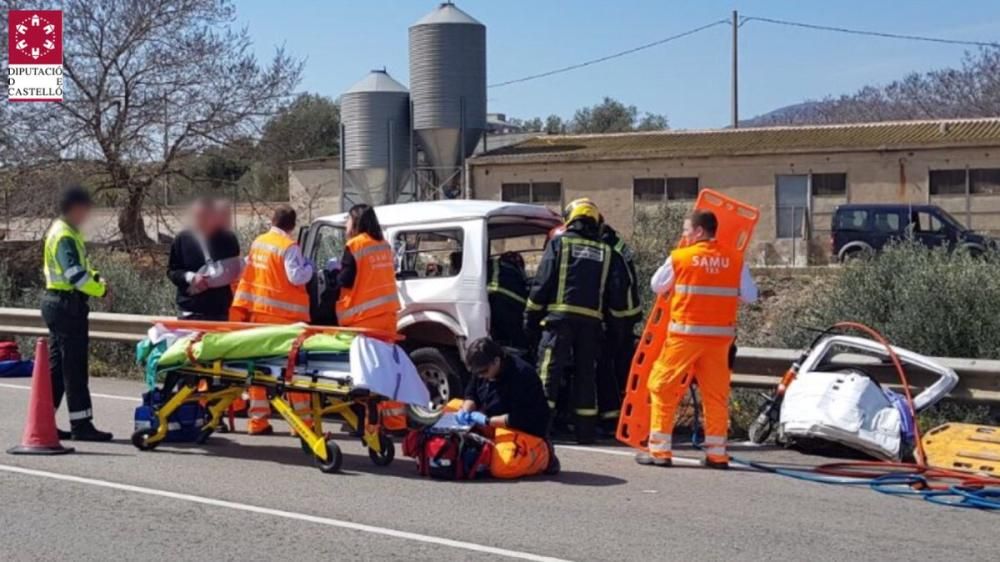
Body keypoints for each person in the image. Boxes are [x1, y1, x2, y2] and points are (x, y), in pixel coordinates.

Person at [636, 210, 758, 469]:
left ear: (699, 231)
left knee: (661, 386)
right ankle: (717, 455)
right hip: (719, 342)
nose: (684, 236)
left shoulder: (681, 257)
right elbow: (750, 296)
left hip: (685, 337)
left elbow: (656, 285)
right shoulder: (735, 259)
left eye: (686, 231)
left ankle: (660, 452)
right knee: (716, 396)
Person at [524, 198, 629, 444]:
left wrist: (530, 316)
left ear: (571, 218)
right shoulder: (606, 251)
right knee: (586, 376)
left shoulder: (560, 243)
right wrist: (617, 328)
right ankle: (585, 432)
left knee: (548, 372)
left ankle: (540, 428)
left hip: (558, 322)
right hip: (591, 325)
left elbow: (542, 281)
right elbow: (616, 292)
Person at [231, 205, 314, 435]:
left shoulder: (259, 242)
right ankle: (302, 425)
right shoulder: (289, 246)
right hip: (285, 321)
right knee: (292, 372)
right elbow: (295, 277)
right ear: (292, 225)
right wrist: (310, 268)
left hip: (259, 315)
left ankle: (257, 421)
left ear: (272, 220)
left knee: (258, 371)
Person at [40, 186, 112, 441]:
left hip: (59, 304)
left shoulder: (66, 231)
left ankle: (43, 420)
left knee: (59, 368)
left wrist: (95, 278)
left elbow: (81, 270)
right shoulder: (65, 235)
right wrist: (101, 290)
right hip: (66, 305)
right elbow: (75, 276)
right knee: (74, 368)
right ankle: (81, 426)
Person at [333, 204, 405, 430]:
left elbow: (345, 280)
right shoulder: (383, 245)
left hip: (363, 319)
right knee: (388, 369)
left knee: (364, 375)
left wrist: (334, 272)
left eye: (347, 220)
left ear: (356, 221)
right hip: (387, 317)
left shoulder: (355, 246)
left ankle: (366, 423)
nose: (346, 225)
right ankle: (395, 421)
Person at [457, 338, 559, 478]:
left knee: (503, 467)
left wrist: (487, 421)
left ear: (496, 361)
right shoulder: (481, 370)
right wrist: (466, 410)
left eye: (484, 372)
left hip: (519, 428)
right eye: (477, 373)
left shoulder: (522, 375)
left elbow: (521, 418)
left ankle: (544, 454)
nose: (481, 376)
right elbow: (471, 393)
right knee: (450, 408)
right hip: (489, 420)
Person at [596, 221, 642, 430]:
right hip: (628, 315)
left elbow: (616, 285)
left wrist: (608, 317)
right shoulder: (618, 243)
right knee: (622, 367)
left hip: (619, 316)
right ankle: (625, 417)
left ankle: (611, 418)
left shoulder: (608, 248)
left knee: (606, 365)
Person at [166, 198, 242, 321]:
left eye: (204, 216)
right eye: (197, 217)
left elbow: (236, 268)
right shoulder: (182, 239)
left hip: (220, 311)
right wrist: (191, 277)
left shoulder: (228, 239)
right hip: (190, 311)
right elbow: (172, 271)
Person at [486, 251, 529, 349]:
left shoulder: (493, 265)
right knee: (518, 339)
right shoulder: (514, 272)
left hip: (490, 303)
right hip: (508, 306)